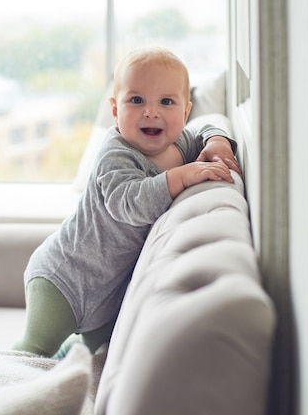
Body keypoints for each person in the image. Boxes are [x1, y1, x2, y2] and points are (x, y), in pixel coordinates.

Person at [13, 46, 241, 357]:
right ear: (115, 110)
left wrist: (217, 142)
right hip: (64, 278)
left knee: (101, 354)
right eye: (136, 100)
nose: (151, 112)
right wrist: (182, 177)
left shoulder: (181, 143)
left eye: (166, 102)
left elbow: (206, 130)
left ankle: (67, 354)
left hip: (107, 296)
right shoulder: (116, 153)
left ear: (185, 112)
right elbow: (129, 203)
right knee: (35, 350)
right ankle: (5, 382)